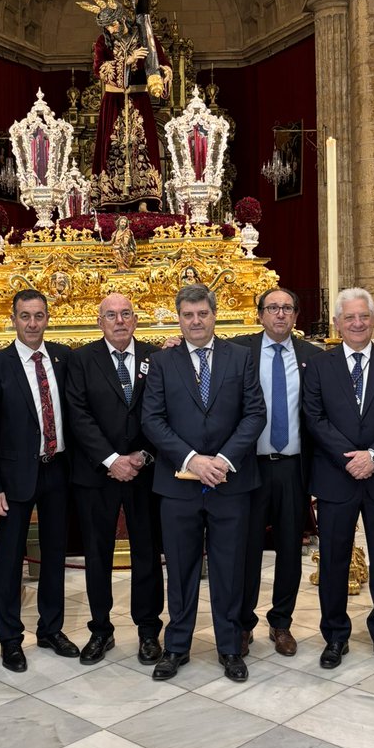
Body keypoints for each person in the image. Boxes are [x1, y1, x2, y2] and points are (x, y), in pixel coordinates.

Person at [141, 284, 265, 683]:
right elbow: (152, 420)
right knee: (180, 569)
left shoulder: (241, 358)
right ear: (179, 317)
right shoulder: (162, 362)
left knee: (230, 569)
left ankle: (230, 648)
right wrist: (194, 460)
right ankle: (176, 646)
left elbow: (254, 414)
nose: (195, 321)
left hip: (231, 482)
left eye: (202, 314)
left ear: (214, 315)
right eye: (188, 315)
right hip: (178, 485)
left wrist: (224, 461)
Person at [302, 288, 374, 671]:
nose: (356, 323)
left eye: (363, 316)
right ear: (337, 323)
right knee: (334, 560)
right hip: (337, 477)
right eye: (349, 317)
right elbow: (314, 418)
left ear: (373, 319)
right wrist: (349, 458)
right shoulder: (320, 365)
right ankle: (335, 636)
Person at [0, 289, 78, 671]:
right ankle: (9, 638)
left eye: (38, 316)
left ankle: (51, 629)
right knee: (9, 560)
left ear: (47, 318)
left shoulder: (64, 358)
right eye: (25, 316)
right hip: (13, 477)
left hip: (57, 470)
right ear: (13, 319)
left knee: (54, 555)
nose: (32, 323)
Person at [65, 293, 164, 664]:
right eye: (111, 315)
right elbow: (78, 415)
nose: (119, 321)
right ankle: (101, 629)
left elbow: (164, 411)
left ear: (135, 320)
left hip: (145, 473)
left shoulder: (158, 357)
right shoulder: (80, 359)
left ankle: (149, 631)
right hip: (97, 475)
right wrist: (110, 459)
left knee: (148, 554)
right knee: (97, 555)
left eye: (126, 314)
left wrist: (141, 455)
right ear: (99, 321)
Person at [232, 287, 322, 656]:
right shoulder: (238, 352)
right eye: (273, 308)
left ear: (296, 315)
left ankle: (281, 623)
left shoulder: (313, 357)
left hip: (293, 469)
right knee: (246, 549)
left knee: (289, 548)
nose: (280, 314)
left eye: (287, 308)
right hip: (250, 468)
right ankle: (242, 623)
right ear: (260, 314)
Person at [78, 0, 172, 209]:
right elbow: (100, 69)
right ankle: (114, 201)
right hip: (115, 103)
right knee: (115, 148)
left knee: (141, 147)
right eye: (108, 26)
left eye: (115, 22)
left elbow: (160, 59)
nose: (112, 28)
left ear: (123, 17)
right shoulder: (102, 42)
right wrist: (127, 62)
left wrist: (163, 72)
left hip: (139, 100)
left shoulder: (142, 34)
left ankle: (144, 199)